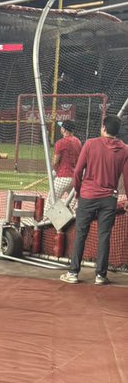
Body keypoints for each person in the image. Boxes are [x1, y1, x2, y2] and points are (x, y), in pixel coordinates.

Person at [60, 115, 128, 286]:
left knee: (81, 234)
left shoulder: (90, 144)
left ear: (104, 128)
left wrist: (78, 191)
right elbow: (127, 178)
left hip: (88, 196)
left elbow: (77, 172)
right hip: (109, 198)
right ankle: (100, 275)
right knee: (104, 236)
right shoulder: (125, 149)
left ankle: (73, 273)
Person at [52, 119, 82, 200]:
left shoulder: (60, 142)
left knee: (51, 201)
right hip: (74, 178)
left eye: (61, 127)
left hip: (63, 177)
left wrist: (56, 171)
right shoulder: (78, 141)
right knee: (71, 204)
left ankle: (47, 213)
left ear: (64, 129)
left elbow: (55, 162)